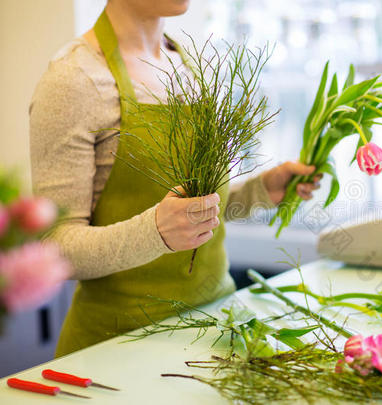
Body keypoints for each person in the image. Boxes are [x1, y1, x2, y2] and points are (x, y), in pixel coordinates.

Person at [29, 0, 320, 357]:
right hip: (118, 350)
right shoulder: (74, 80)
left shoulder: (188, 65)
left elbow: (193, 210)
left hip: (219, 329)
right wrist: (154, 233)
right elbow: (54, 247)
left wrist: (260, 192)